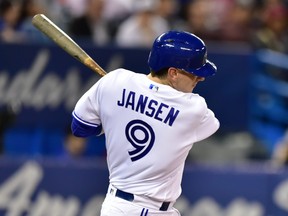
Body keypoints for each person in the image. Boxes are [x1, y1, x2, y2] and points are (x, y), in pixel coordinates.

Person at [71, 30, 220, 216]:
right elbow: (211, 125)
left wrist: (115, 110)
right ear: (173, 73)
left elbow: (81, 128)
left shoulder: (114, 81)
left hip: (119, 207)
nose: (200, 77)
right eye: (193, 73)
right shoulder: (193, 108)